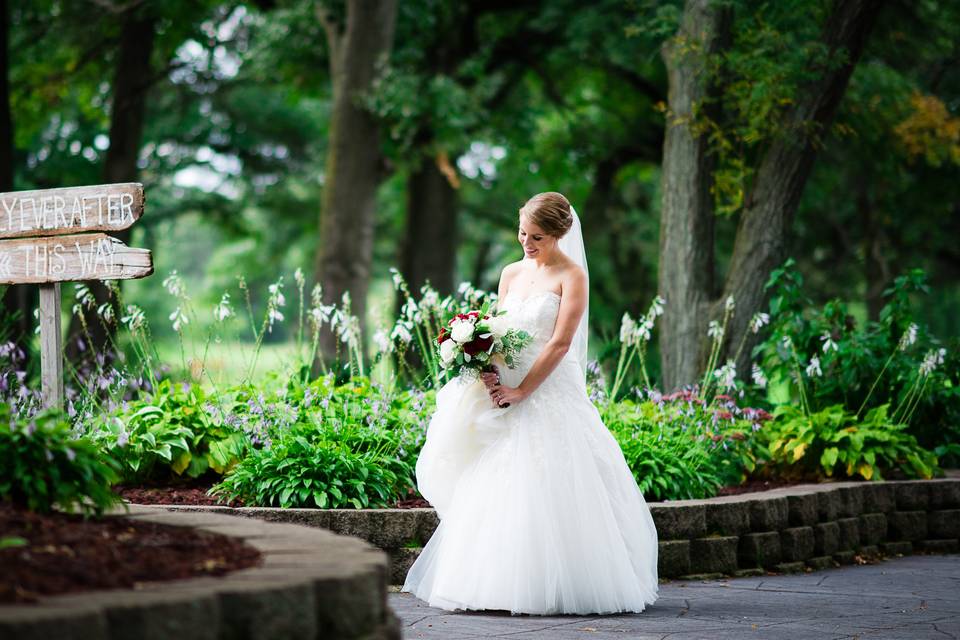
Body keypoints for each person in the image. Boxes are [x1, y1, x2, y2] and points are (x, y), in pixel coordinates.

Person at [401, 192, 659, 615]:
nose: (527, 242)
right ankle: (491, 581)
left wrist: (524, 391)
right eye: (522, 232)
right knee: (496, 478)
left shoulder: (572, 276)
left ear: (559, 234)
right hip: (505, 385)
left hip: (550, 389)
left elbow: (560, 343)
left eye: (537, 236)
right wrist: (485, 362)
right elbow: (499, 329)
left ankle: (562, 584)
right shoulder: (510, 274)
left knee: (550, 476)